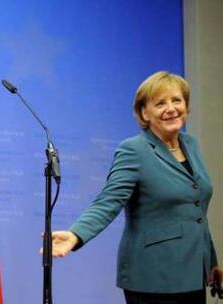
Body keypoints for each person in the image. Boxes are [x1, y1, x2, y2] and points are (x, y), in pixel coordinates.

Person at [49, 71, 222, 304]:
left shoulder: (190, 144)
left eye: (177, 100)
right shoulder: (134, 150)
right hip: (153, 277)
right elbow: (108, 201)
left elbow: (196, 208)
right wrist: (76, 234)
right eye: (160, 103)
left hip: (193, 273)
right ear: (144, 113)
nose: (171, 108)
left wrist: (210, 260)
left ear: (186, 106)